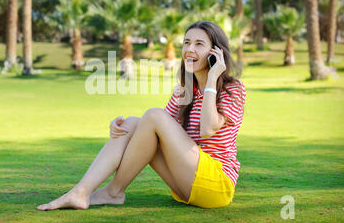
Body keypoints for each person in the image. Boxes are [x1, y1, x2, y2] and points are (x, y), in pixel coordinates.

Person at [37, 20, 246, 210]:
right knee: (132, 124)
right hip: (186, 184)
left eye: (199, 44)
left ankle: (111, 192)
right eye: (186, 43)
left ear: (216, 53)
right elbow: (156, 131)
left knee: (153, 116)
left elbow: (207, 128)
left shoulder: (232, 89)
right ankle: (84, 192)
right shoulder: (185, 90)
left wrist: (211, 80)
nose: (190, 50)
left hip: (216, 185)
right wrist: (123, 128)